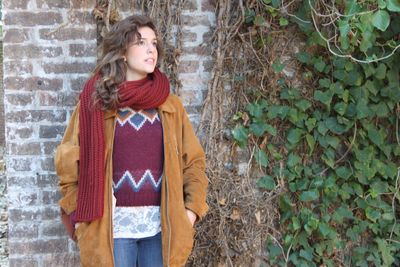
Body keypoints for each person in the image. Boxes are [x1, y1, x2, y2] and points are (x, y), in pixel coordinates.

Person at [55, 14, 209, 267]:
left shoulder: (170, 105)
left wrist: (190, 211)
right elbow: (68, 160)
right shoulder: (96, 103)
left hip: (161, 228)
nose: (151, 49)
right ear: (123, 52)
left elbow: (193, 161)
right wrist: (76, 212)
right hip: (111, 228)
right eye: (141, 42)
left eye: (154, 43)